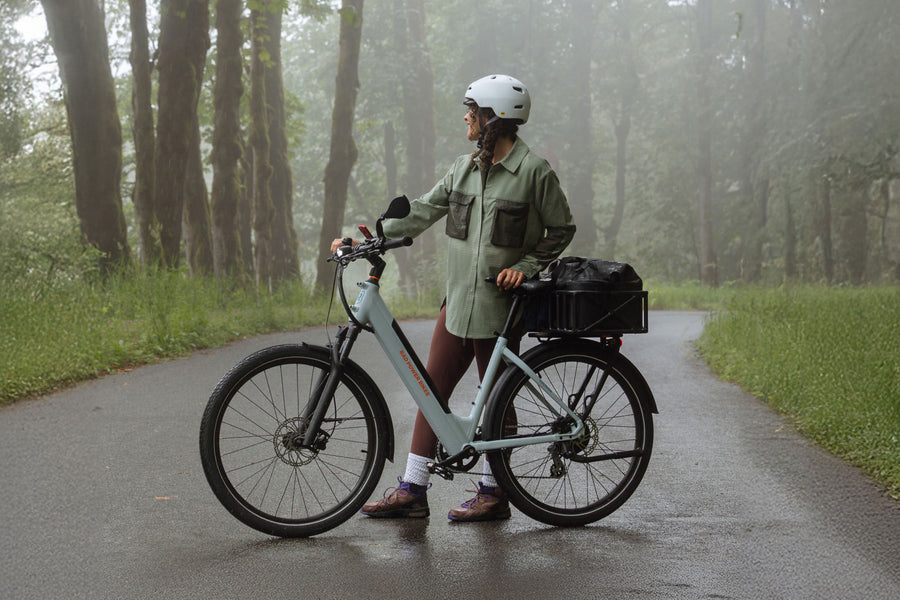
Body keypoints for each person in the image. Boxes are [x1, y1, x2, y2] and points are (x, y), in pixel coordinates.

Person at [331, 74, 575, 522]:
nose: (466, 116)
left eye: (473, 110)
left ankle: (493, 491)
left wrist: (523, 269)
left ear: (494, 119)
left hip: (501, 308)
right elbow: (422, 210)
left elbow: (561, 229)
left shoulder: (533, 173)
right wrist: (367, 238)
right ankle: (412, 489)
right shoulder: (463, 168)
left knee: (496, 398)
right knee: (430, 391)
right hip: (457, 303)